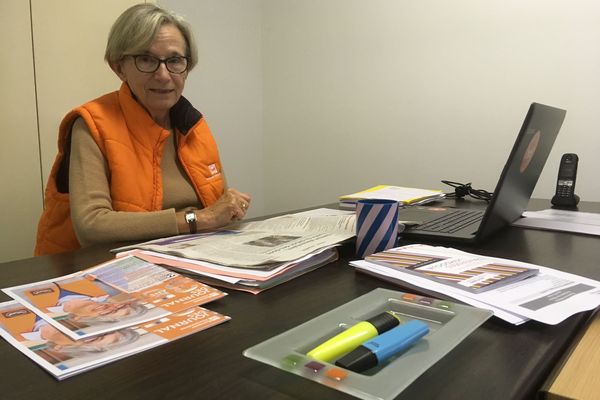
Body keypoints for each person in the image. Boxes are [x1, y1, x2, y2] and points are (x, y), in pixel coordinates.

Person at [35, 3, 251, 256]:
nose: (163, 74)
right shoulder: (91, 124)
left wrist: (230, 207)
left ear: (187, 67)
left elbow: (217, 210)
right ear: (118, 66)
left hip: (189, 260)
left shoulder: (193, 124)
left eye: (174, 60)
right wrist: (196, 220)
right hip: (104, 268)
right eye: (146, 59)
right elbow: (92, 226)